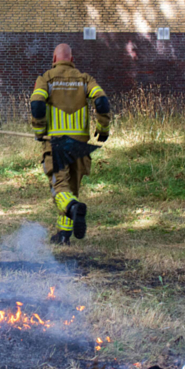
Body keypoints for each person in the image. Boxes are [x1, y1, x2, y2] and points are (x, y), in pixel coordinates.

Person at [30, 44, 111, 245]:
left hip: (56, 144)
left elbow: (37, 104)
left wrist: (39, 131)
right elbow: (102, 102)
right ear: (72, 59)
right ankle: (64, 235)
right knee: (71, 189)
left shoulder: (46, 78)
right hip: (80, 146)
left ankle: (73, 209)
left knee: (60, 187)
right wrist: (102, 129)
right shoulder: (85, 79)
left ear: (54, 59)